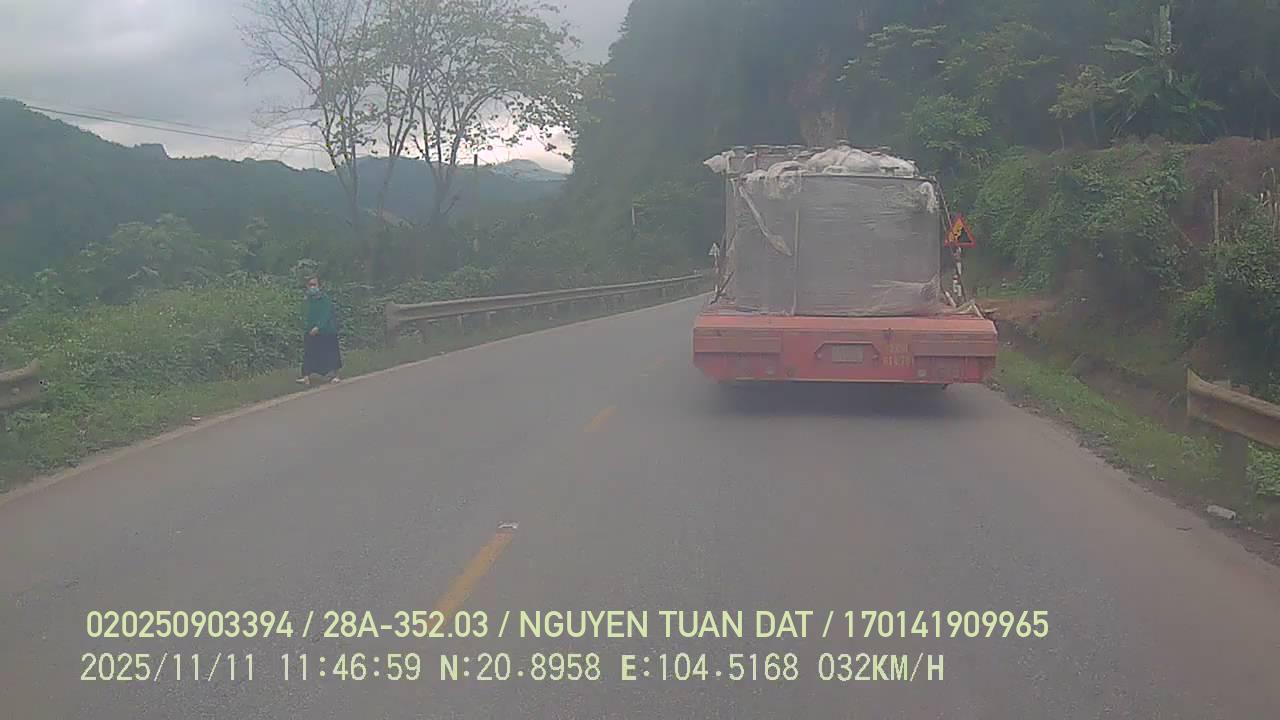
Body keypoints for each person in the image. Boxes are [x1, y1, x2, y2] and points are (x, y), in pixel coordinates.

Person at [297, 276, 342, 385]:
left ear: (319, 286)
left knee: (331, 353)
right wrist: (305, 327)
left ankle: (336, 375)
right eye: (310, 285)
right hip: (310, 330)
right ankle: (306, 376)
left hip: (327, 331)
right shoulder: (307, 300)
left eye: (314, 284)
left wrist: (318, 327)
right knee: (308, 353)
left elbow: (326, 314)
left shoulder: (325, 299)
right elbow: (304, 314)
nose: (312, 287)